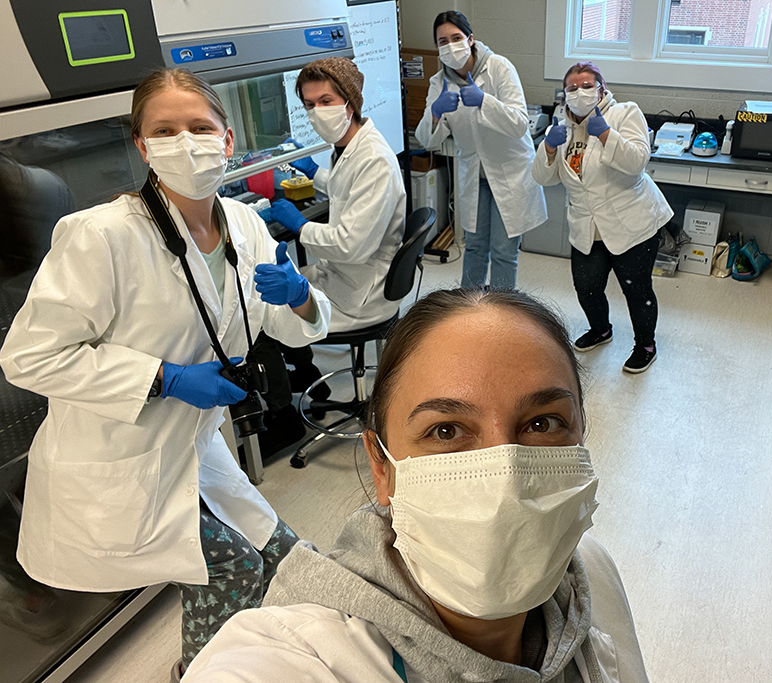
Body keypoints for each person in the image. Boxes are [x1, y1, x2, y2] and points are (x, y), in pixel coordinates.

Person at [0, 68, 333, 679]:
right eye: (166, 129)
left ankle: (253, 661)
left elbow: (296, 328)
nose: (187, 141)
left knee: (284, 556)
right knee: (232, 566)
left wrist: (301, 295)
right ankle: (201, 673)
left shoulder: (245, 225)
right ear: (142, 146)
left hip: (194, 447)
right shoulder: (99, 236)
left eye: (200, 127)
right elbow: (27, 356)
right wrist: (167, 378)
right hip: (120, 457)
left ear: (227, 140)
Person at [181, 289, 649, 682]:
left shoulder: (593, 573)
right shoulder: (291, 657)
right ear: (381, 468)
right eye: (445, 430)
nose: (504, 473)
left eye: (543, 423)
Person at [262, 57, 406, 394]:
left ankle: (286, 405)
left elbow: (350, 245)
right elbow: (349, 189)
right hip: (349, 274)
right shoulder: (349, 148)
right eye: (309, 104)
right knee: (283, 289)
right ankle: (304, 369)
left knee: (266, 308)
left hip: (362, 290)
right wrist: (315, 173)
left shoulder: (374, 160)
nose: (316, 112)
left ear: (350, 103)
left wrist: (299, 226)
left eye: (326, 101)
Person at [532, 62, 672, 374]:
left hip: (631, 222)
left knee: (636, 288)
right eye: (571, 88)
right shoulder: (562, 125)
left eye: (586, 86)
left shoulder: (624, 113)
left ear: (602, 89)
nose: (579, 92)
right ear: (564, 95)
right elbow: (543, 177)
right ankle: (601, 329)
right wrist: (549, 148)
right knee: (587, 286)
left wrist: (607, 134)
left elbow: (637, 161)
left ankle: (645, 345)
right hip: (586, 224)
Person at [415, 11, 547, 290]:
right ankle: (469, 311)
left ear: (471, 39)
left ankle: (501, 313)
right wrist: (435, 114)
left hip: (509, 172)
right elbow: (427, 139)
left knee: (503, 251)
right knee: (473, 247)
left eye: (456, 38)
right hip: (474, 175)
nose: (450, 46)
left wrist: (484, 101)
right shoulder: (439, 83)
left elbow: (520, 124)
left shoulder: (499, 68)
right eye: (442, 41)